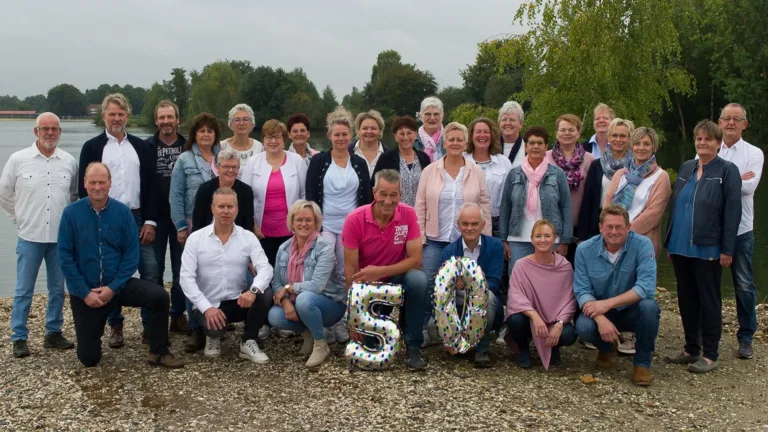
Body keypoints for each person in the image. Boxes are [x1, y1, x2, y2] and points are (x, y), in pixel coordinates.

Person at [59, 163, 184, 369]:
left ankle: (158, 351)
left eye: (102, 182)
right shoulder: (71, 214)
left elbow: (131, 257)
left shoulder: (123, 212)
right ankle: (96, 330)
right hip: (86, 291)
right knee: (89, 359)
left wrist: (112, 288)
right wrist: (85, 293)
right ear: (85, 184)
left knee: (159, 296)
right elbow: (65, 257)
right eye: (92, 182)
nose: (97, 187)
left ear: (110, 183)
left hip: (118, 285)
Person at [78, 93, 159, 349]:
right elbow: (85, 189)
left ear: (127, 116)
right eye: (111, 114)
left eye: (121, 114)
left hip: (137, 216)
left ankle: (150, 326)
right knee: (108, 273)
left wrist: (150, 220)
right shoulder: (92, 147)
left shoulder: (142, 147)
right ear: (103, 115)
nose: (116, 118)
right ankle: (115, 325)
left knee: (151, 270)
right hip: (106, 218)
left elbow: (152, 186)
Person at [664, 120, 741, 374]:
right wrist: (669, 239)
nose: (702, 143)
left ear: (718, 144)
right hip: (679, 246)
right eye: (698, 138)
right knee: (686, 299)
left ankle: (710, 353)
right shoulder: (687, 167)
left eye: (707, 139)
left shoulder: (727, 171)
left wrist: (727, 249)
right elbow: (675, 205)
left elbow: (732, 214)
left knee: (709, 301)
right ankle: (690, 348)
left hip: (708, 247)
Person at [0, 112, 78, 358]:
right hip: (30, 236)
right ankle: (19, 337)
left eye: (54, 128)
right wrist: (19, 218)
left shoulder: (69, 161)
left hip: (59, 239)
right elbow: (4, 193)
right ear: (36, 132)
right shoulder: (18, 159)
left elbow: (74, 196)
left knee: (57, 288)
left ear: (60, 132)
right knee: (24, 289)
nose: (49, 133)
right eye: (44, 128)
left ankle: (53, 332)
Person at [341, 169, 429, 370]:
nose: (388, 201)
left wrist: (379, 271)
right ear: (374, 193)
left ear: (400, 194)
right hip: (367, 285)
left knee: (418, 280)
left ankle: (413, 346)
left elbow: (416, 260)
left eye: (393, 195)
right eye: (383, 194)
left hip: (394, 278)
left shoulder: (408, 214)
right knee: (370, 344)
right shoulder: (354, 219)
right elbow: (351, 268)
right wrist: (352, 316)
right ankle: (371, 338)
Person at [415, 122, 491, 346]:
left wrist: (485, 237)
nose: (455, 143)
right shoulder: (431, 170)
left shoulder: (475, 171)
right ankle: (425, 329)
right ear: (444, 142)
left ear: (465, 142)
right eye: (451, 139)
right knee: (429, 284)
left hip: (465, 240)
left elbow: (484, 204)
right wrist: (420, 237)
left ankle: (466, 330)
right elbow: (420, 205)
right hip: (435, 239)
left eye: (460, 139)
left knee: (467, 285)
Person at [180, 187, 274, 363]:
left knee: (265, 292)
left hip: (238, 301)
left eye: (230, 206)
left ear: (237, 209)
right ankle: (212, 336)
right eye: (221, 206)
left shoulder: (248, 237)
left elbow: (266, 268)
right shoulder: (196, 238)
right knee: (215, 330)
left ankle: (248, 341)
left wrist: (253, 290)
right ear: (212, 208)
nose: (225, 211)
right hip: (208, 304)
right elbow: (186, 278)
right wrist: (206, 308)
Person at [573, 204, 659, 386]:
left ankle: (642, 364)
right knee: (583, 327)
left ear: (628, 227)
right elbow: (582, 291)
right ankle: (606, 348)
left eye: (619, 227)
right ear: (600, 227)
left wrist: (608, 304)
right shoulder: (584, 250)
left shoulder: (643, 245)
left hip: (631, 310)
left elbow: (645, 287)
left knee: (650, 308)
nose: (614, 232)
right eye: (609, 227)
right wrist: (600, 317)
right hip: (600, 311)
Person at [306, 107, 372, 343]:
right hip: (326, 226)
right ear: (329, 136)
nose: (341, 138)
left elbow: (365, 200)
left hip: (351, 227)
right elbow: (311, 195)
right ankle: (326, 322)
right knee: (326, 272)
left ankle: (345, 320)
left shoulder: (359, 164)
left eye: (345, 134)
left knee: (347, 274)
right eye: (337, 134)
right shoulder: (319, 161)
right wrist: (315, 226)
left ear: (351, 136)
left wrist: (365, 227)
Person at [268, 200, 345, 367]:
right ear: (292, 222)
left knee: (304, 299)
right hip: (297, 302)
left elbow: (317, 286)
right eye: (299, 219)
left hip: (330, 304)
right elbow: (277, 283)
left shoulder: (324, 248)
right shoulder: (283, 249)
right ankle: (308, 332)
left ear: (316, 222)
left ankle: (320, 344)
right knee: (274, 316)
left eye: (309, 220)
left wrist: (289, 288)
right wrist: (286, 301)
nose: (304, 224)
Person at [715, 103, 764, 359]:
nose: (731, 123)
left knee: (744, 284)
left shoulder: (754, 153)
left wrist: (722, 179)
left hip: (741, 230)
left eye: (736, 119)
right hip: (712, 228)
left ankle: (746, 336)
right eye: (726, 119)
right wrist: (736, 178)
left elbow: (749, 188)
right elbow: (706, 184)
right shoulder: (711, 149)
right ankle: (707, 334)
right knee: (708, 283)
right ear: (720, 122)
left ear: (744, 124)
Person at [169, 112, 221, 352]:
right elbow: (176, 195)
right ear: (194, 135)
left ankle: (217, 320)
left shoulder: (223, 157)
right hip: (192, 224)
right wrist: (180, 226)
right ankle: (196, 328)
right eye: (201, 130)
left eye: (210, 130)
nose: (206, 134)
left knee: (215, 272)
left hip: (221, 224)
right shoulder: (185, 160)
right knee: (191, 274)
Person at [146, 100, 192, 339]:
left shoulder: (188, 146)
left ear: (177, 119)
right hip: (154, 220)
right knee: (153, 272)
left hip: (181, 220)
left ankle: (177, 315)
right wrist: (147, 219)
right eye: (161, 117)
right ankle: (152, 321)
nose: (166, 121)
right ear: (156, 120)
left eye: (170, 117)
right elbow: (143, 187)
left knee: (181, 270)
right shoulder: (146, 147)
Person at [506, 220, 577, 369]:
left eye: (547, 236)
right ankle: (523, 350)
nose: (543, 240)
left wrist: (559, 324)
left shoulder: (565, 266)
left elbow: (570, 299)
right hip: (529, 320)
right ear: (532, 239)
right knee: (515, 320)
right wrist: (534, 315)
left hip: (554, 320)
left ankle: (554, 347)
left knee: (569, 334)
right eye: (538, 236)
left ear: (555, 238)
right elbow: (515, 297)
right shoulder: (521, 265)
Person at [438, 203, 503, 368]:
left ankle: (483, 348)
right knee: (433, 328)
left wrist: (470, 286)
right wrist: (453, 285)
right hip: (458, 301)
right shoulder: (448, 252)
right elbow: (441, 289)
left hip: (485, 298)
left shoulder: (495, 246)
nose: (469, 228)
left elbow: (494, 282)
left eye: (474, 224)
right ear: (458, 225)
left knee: (487, 298)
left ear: (483, 225)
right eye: (465, 224)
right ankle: (458, 342)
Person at [499, 127, 572, 269]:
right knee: (517, 279)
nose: (535, 147)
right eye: (531, 143)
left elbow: (566, 207)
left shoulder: (558, 174)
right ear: (526, 146)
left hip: (550, 238)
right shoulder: (514, 174)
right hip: (518, 238)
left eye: (540, 143)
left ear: (546, 147)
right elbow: (505, 207)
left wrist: (565, 241)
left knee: (549, 279)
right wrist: (503, 239)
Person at [241, 119, 307, 266]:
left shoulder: (296, 161)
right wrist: (252, 224)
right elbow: (244, 197)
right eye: (269, 137)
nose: (273, 141)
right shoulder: (253, 162)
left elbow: (304, 195)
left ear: (284, 140)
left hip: (291, 231)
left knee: (289, 272)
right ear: (263, 140)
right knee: (265, 271)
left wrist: (301, 223)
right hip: (261, 231)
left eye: (277, 137)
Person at [605, 127, 671, 256]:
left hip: (642, 244)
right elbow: (608, 203)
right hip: (612, 240)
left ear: (654, 147)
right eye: (637, 144)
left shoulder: (661, 177)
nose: (641, 148)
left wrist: (622, 233)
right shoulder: (620, 174)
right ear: (631, 146)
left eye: (646, 144)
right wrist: (611, 231)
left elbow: (653, 214)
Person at [577, 118, 635, 243]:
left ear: (630, 138)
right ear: (608, 137)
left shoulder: (636, 167)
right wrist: (582, 236)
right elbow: (588, 200)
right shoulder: (597, 165)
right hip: (599, 223)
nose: (618, 139)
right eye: (614, 135)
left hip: (627, 223)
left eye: (623, 136)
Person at [546, 114, 595, 261]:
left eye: (571, 130)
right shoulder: (545, 158)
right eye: (563, 130)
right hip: (551, 224)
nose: (567, 133)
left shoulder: (590, 160)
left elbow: (592, 194)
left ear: (578, 133)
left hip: (580, 224)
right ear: (556, 133)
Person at [464, 117, 513, 236]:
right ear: (471, 136)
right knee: (467, 255)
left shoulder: (504, 162)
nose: (482, 135)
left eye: (486, 132)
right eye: (478, 132)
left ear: (492, 135)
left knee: (492, 254)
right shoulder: (462, 160)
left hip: (497, 221)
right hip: (467, 221)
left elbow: (509, 195)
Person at [371, 115, 431, 207]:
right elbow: (374, 186)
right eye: (401, 134)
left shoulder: (424, 158)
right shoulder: (386, 158)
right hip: (393, 211)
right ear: (395, 136)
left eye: (409, 133)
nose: (406, 137)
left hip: (419, 213)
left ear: (415, 134)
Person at [192, 148, 254, 233]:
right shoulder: (205, 189)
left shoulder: (246, 191)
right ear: (217, 167)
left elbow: (248, 224)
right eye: (226, 167)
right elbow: (198, 222)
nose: (231, 170)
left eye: (234, 167)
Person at [220, 103, 263, 176]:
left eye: (245, 120)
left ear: (252, 123)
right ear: (230, 124)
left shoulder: (259, 147)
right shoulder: (222, 146)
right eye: (237, 120)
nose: (241, 123)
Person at [347, 110, 390, 177]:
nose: (369, 131)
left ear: (380, 130)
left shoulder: (390, 155)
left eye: (373, 128)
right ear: (359, 130)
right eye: (365, 128)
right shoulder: (347, 151)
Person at [413, 96, 445, 161]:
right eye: (428, 114)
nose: (432, 118)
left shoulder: (450, 140)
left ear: (442, 116)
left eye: (436, 114)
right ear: (421, 116)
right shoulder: (411, 140)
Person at [498, 101, 526, 167]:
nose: (507, 123)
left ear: (521, 124)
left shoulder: (528, 148)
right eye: (504, 119)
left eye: (512, 120)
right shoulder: (490, 148)